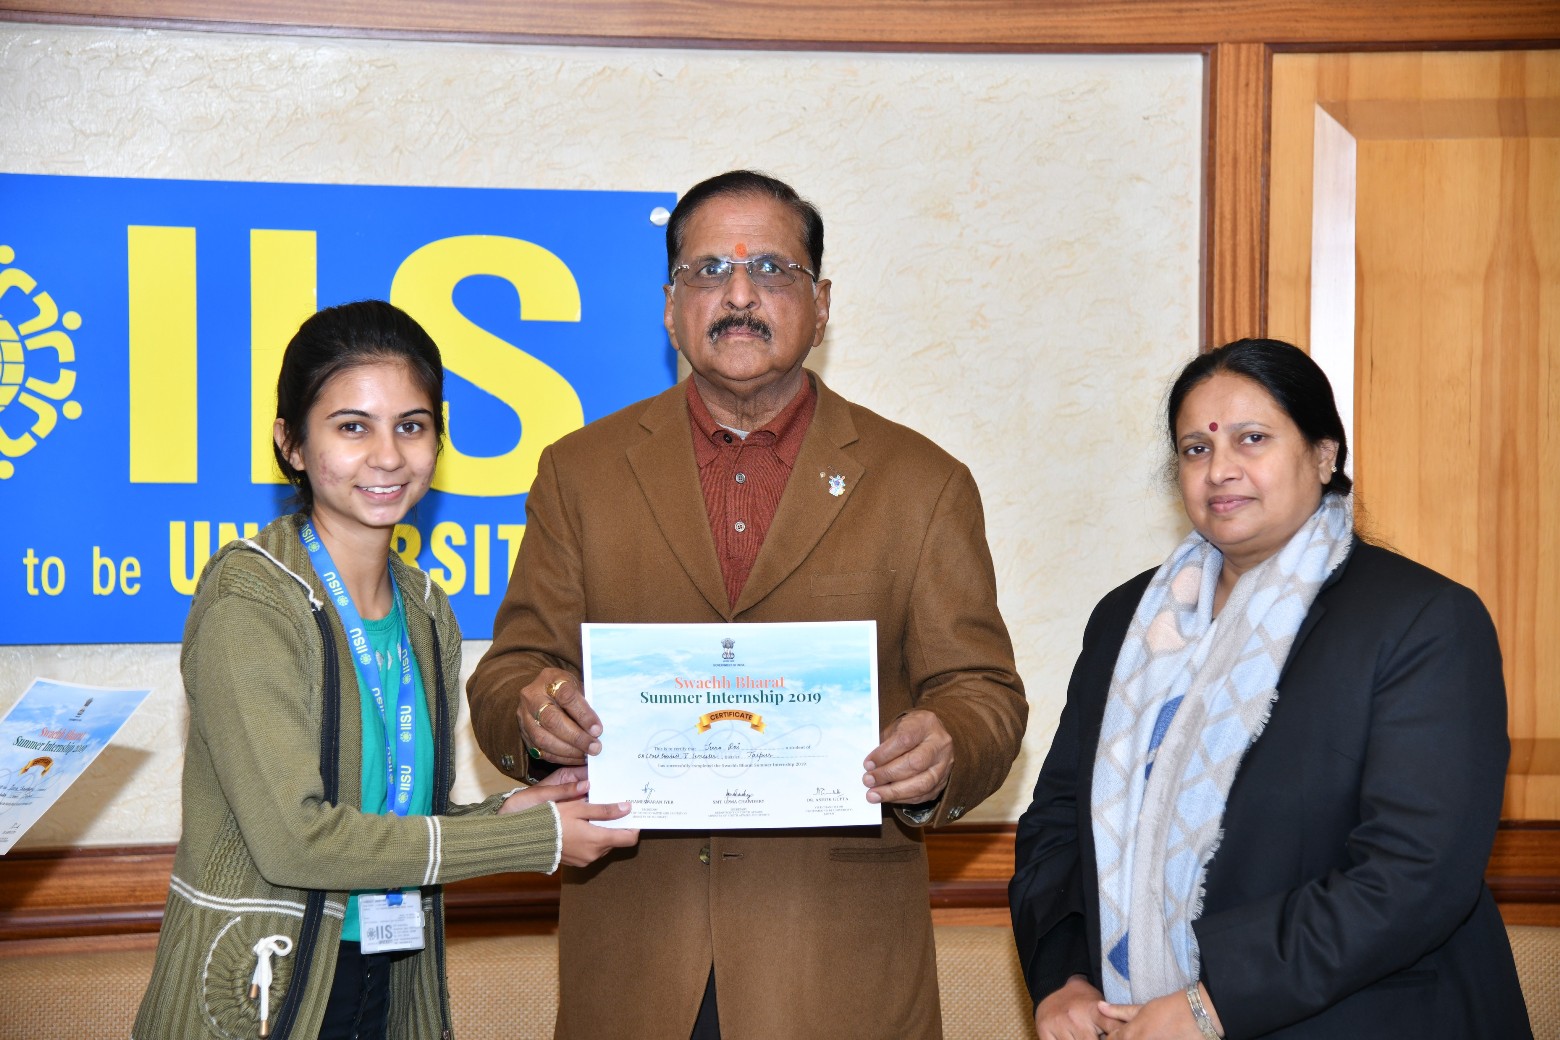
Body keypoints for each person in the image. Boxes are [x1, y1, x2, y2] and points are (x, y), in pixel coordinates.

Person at [466, 170, 1028, 1040]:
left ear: (821, 304)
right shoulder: (580, 473)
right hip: (636, 954)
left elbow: (983, 690)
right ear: (669, 306)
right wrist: (538, 714)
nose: (737, 295)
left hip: (835, 967)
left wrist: (948, 742)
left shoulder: (921, 483)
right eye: (707, 271)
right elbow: (511, 672)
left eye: (770, 269)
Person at [133, 301, 637, 1040]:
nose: (387, 456)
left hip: (391, 975)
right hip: (262, 990)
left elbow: (395, 820)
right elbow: (296, 841)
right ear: (291, 444)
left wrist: (509, 813)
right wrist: (535, 841)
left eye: (411, 426)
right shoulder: (251, 599)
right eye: (351, 427)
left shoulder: (425, 608)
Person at [1009, 338, 1532, 1039]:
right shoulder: (1127, 623)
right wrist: (1064, 976)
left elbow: (1415, 873)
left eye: (1252, 439)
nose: (1220, 469)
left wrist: (1213, 1004)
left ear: (1323, 455)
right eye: (1196, 448)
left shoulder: (1421, 622)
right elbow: (1057, 818)